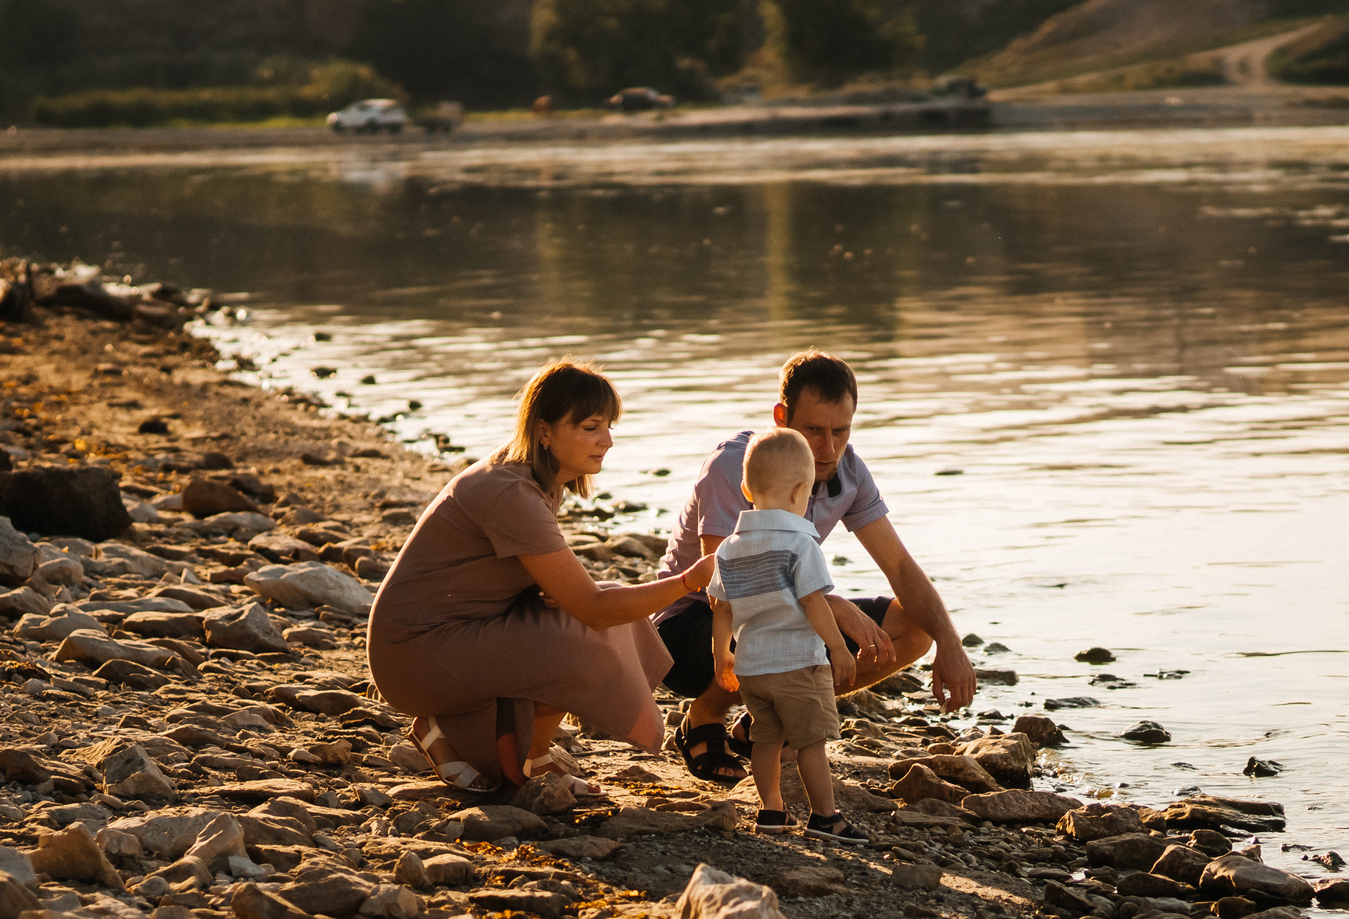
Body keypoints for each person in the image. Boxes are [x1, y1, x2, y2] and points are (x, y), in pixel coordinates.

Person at [367, 358, 712, 791]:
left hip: (455, 632)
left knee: (583, 613)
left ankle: (524, 754)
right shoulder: (511, 492)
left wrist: (542, 592)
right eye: (590, 427)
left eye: (609, 426)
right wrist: (688, 581)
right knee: (585, 632)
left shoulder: (539, 480)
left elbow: (494, 573)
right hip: (413, 654)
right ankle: (471, 735)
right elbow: (595, 610)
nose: (607, 440)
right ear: (544, 431)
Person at [656, 349, 977, 784]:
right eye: (813, 431)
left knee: (915, 627)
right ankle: (704, 717)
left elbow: (899, 566)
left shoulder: (848, 471)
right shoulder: (735, 465)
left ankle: (773, 722)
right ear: (781, 417)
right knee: (805, 616)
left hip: (779, 614)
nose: (827, 449)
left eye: (840, 431)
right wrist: (834, 607)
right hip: (691, 625)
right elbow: (724, 579)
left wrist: (950, 643)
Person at [706, 427, 861, 841]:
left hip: (754, 669)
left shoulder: (728, 549)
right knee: (811, 742)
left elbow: (720, 608)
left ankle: (771, 811)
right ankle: (825, 816)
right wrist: (839, 648)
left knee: (766, 739)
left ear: (745, 489)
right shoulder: (800, 545)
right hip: (797, 664)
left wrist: (723, 656)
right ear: (801, 493)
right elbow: (814, 602)